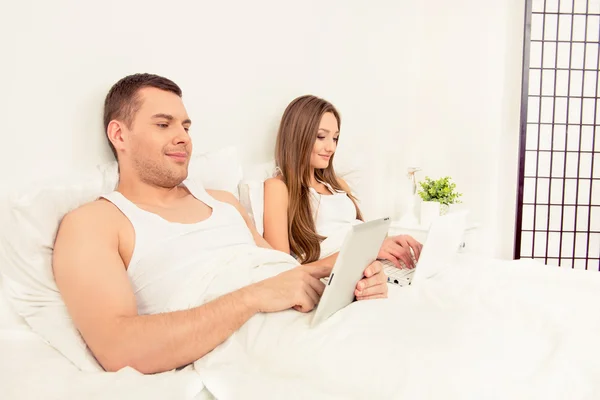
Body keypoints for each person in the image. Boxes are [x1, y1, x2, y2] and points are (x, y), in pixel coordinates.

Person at [51, 74, 388, 375]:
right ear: (119, 134)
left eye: (186, 126)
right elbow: (117, 349)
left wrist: (351, 282)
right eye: (163, 124)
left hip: (321, 321)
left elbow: (287, 274)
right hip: (269, 346)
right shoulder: (93, 223)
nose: (183, 137)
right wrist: (254, 297)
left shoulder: (223, 201)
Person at [263, 94, 423, 285]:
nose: (331, 147)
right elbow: (283, 273)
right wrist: (367, 251)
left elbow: (360, 232)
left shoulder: (338, 184)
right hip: (340, 274)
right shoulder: (278, 188)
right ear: (298, 136)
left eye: (335, 138)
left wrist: (390, 242)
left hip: (371, 265)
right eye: (321, 137)